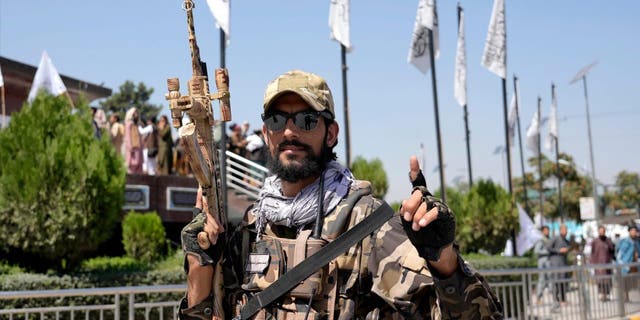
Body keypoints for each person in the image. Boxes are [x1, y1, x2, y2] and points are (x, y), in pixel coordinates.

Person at [177, 70, 502, 319]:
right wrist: (199, 261)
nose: (289, 131)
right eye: (277, 120)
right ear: (265, 134)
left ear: (330, 133)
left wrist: (443, 259)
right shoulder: (252, 229)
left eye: (306, 120)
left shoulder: (367, 225)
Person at [589, 225, 615, 301]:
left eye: (603, 231)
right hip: (598, 264)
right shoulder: (595, 241)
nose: (602, 232)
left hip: (607, 264)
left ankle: (607, 294)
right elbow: (592, 253)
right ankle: (601, 294)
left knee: (607, 280)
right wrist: (593, 263)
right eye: (600, 231)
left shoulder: (608, 240)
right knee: (600, 280)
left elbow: (612, 250)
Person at [548, 224, 570, 310]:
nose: (565, 232)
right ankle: (555, 300)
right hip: (555, 264)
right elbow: (548, 247)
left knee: (563, 282)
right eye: (564, 230)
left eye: (566, 230)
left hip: (563, 264)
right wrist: (558, 250)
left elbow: (569, 248)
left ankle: (563, 299)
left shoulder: (566, 241)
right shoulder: (555, 238)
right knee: (556, 282)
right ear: (561, 230)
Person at [616, 225, 640, 301]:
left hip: (635, 266)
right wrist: (623, 265)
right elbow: (619, 255)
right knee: (625, 283)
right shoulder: (626, 241)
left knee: (636, 282)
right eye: (632, 231)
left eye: (635, 231)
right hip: (626, 266)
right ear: (629, 232)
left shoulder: (636, 242)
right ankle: (625, 298)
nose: (634, 232)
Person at [533, 225, 551, 303]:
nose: (547, 232)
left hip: (548, 261)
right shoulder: (541, 239)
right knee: (542, 279)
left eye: (548, 230)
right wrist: (546, 252)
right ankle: (538, 297)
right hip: (542, 261)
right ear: (543, 231)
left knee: (549, 279)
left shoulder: (548, 239)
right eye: (546, 230)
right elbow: (536, 251)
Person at [124, 107, 143, 174]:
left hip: (138, 148)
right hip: (132, 149)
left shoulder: (136, 125)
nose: (137, 115)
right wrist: (130, 147)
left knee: (138, 165)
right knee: (132, 165)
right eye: (135, 113)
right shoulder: (129, 124)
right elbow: (128, 136)